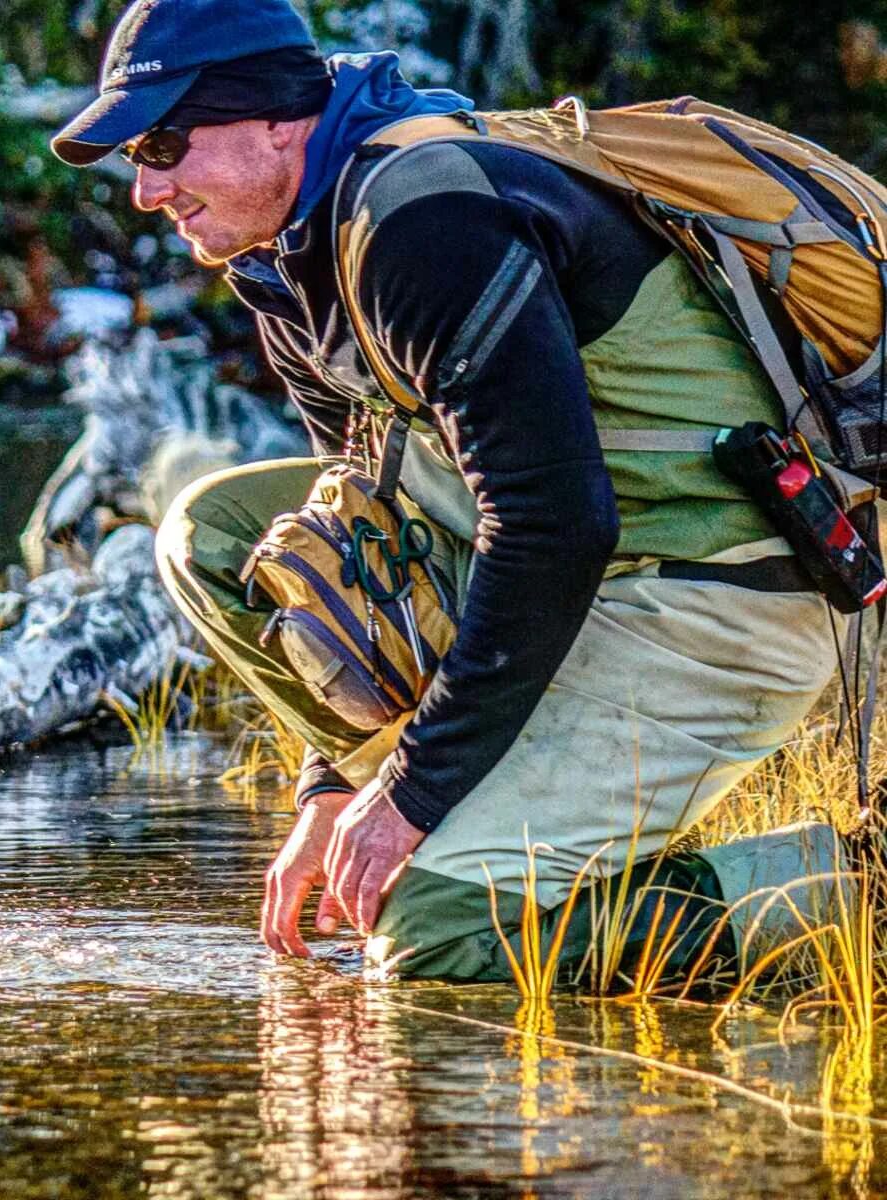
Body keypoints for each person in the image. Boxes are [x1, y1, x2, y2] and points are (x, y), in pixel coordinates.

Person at [49, 0, 854, 980]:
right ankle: (511, 835)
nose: (144, 187)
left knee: (435, 935)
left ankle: (849, 896)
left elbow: (555, 526)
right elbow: (350, 526)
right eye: (136, 153)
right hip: (579, 564)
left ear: (275, 118)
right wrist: (334, 791)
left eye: (167, 142)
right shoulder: (283, 258)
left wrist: (415, 800)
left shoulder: (422, 221)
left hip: (717, 589)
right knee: (213, 535)